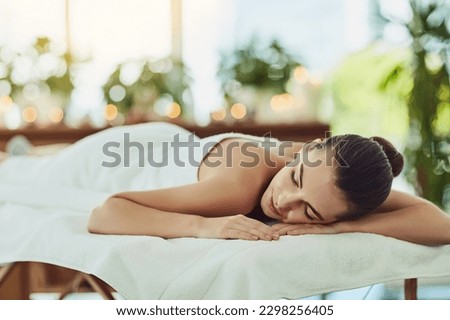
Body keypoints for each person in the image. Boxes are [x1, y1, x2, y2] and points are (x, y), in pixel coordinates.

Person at [1, 122, 449, 245]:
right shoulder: (241, 184)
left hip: (175, 147)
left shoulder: (331, 178)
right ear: (311, 147)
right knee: (22, 178)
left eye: (307, 213)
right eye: (295, 178)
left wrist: (341, 228)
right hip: (124, 160)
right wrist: (203, 227)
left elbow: (439, 224)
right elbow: (106, 213)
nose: (284, 201)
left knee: (28, 165)